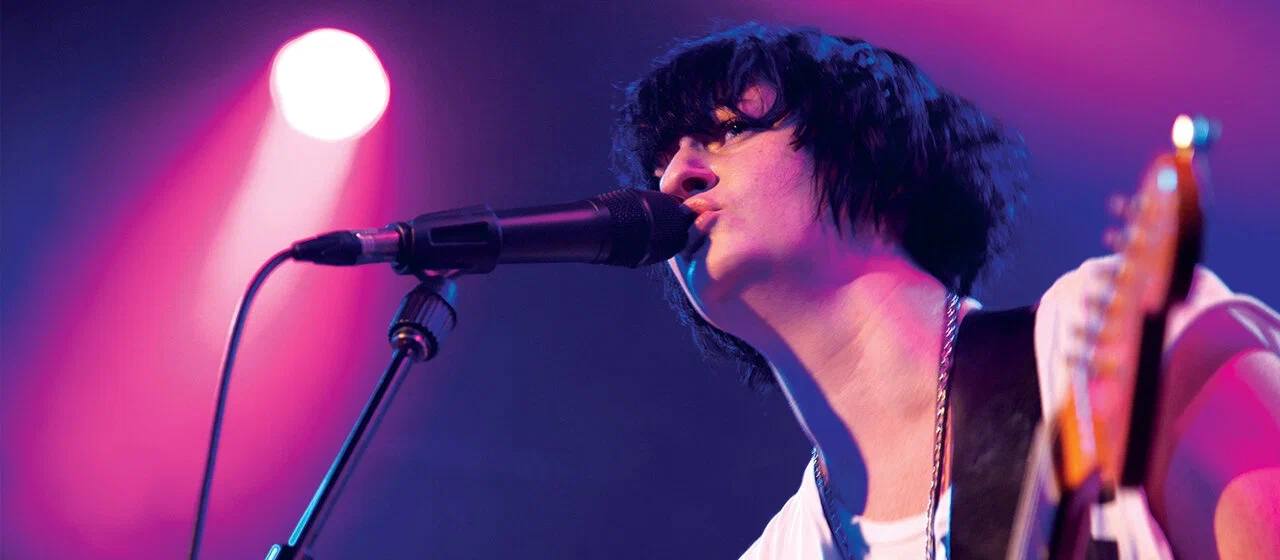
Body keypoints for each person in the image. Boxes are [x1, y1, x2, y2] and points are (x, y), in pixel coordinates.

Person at [611, 23, 1280, 559]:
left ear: (870, 151)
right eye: (661, 162)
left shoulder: (1109, 339)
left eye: (728, 130)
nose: (673, 178)